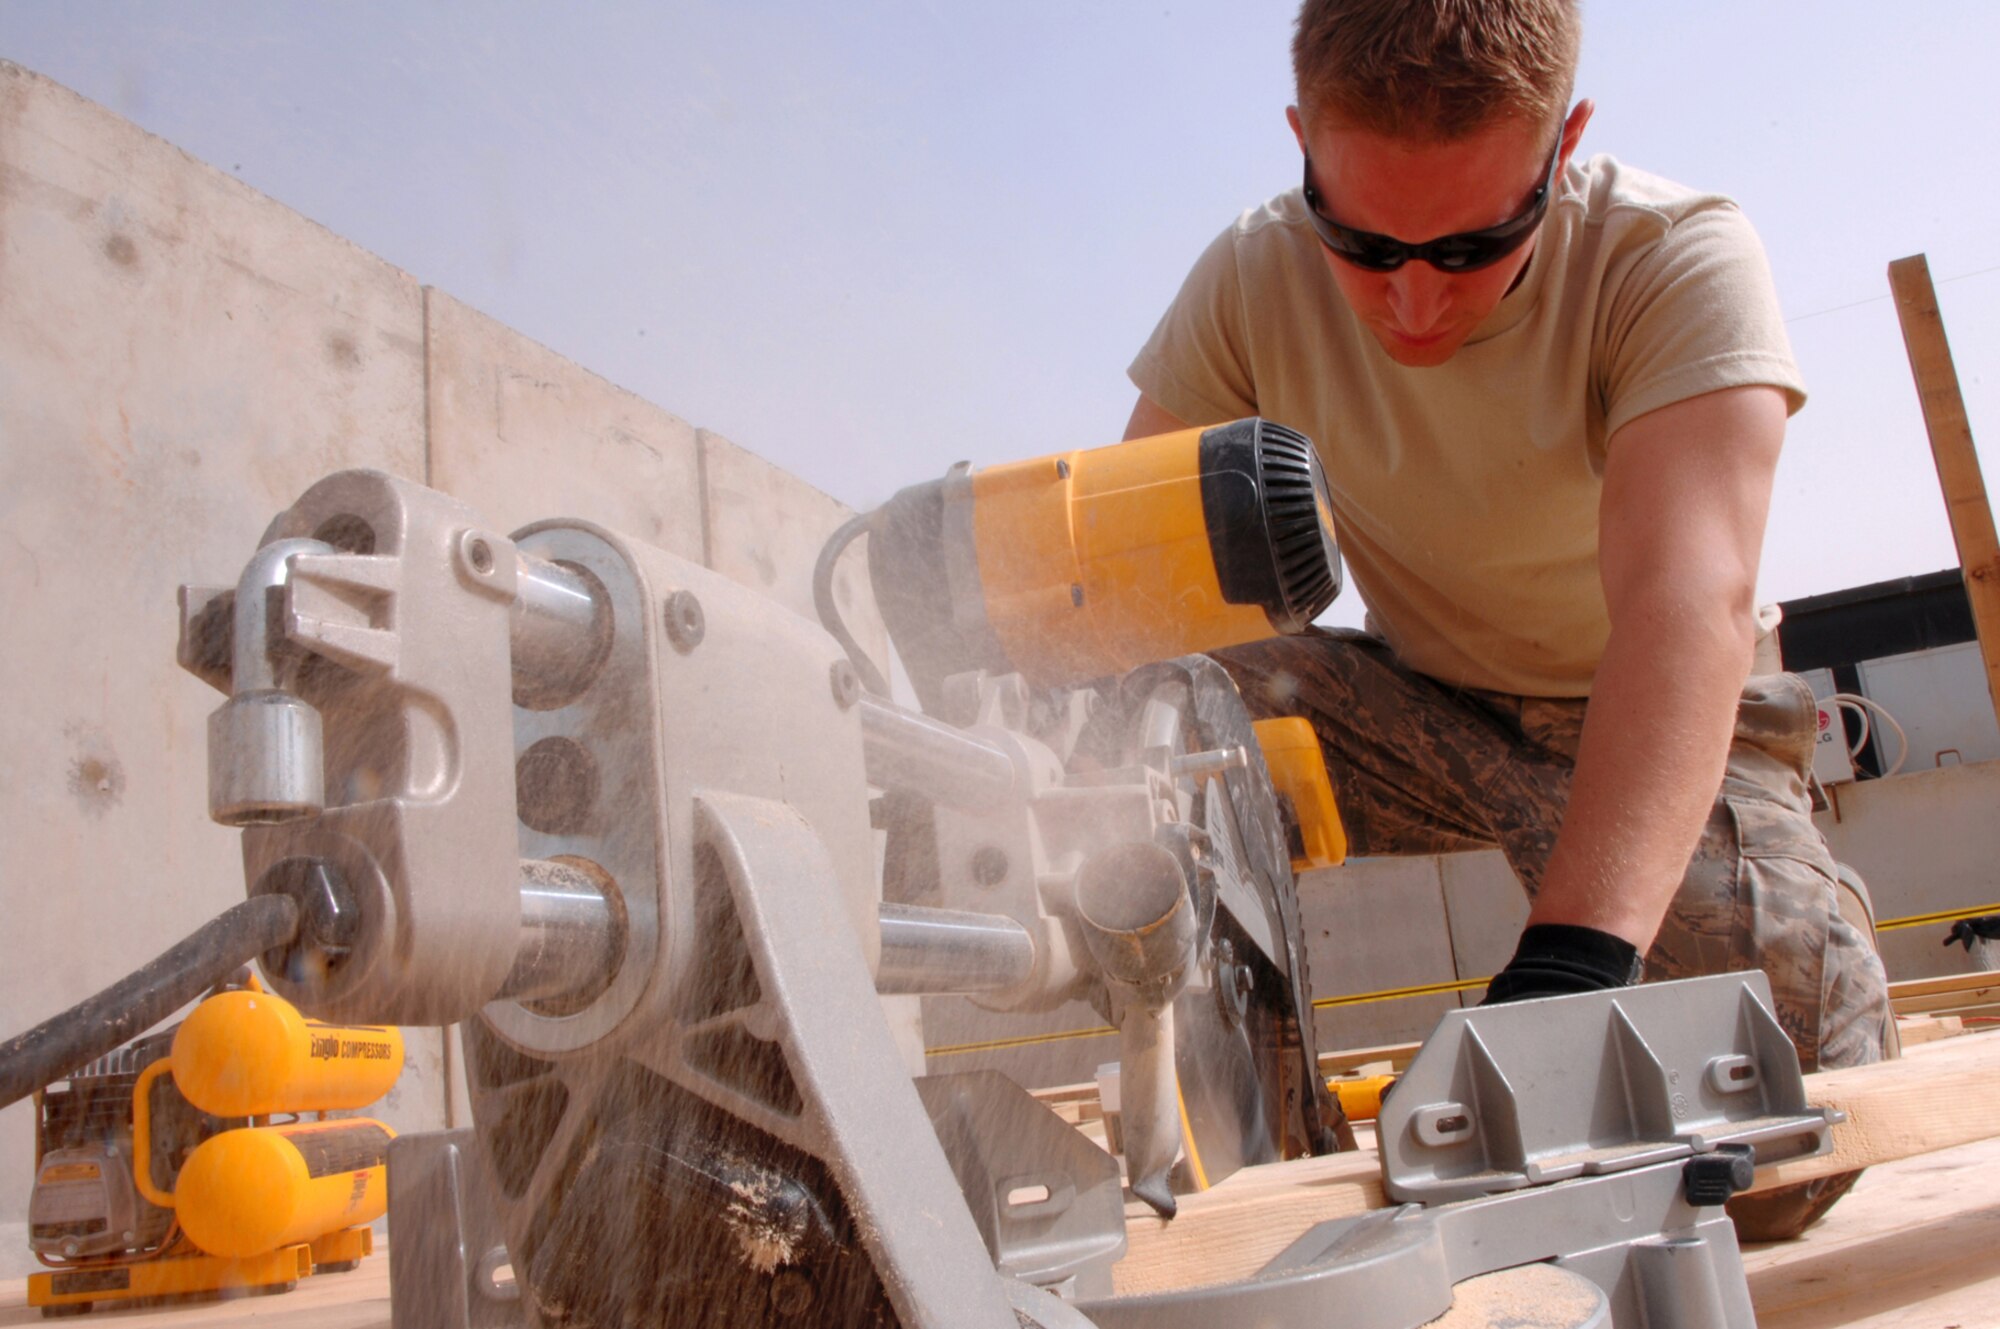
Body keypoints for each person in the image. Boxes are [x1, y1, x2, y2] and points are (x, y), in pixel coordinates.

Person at [1126, 0, 1893, 1235]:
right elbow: (1129, 577)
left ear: (1563, 141)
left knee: (1780, 1145)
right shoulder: (1251, 273)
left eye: (1473, 246)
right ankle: (1266, 1156)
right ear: (1301, 141)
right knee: (1152, 708)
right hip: (1421, 711)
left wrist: (1569, 970)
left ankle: (1765, 901)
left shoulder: (1670, 255)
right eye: (1361, 246)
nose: (1413, 305)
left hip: (1649, 718)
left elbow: (1683, 605)